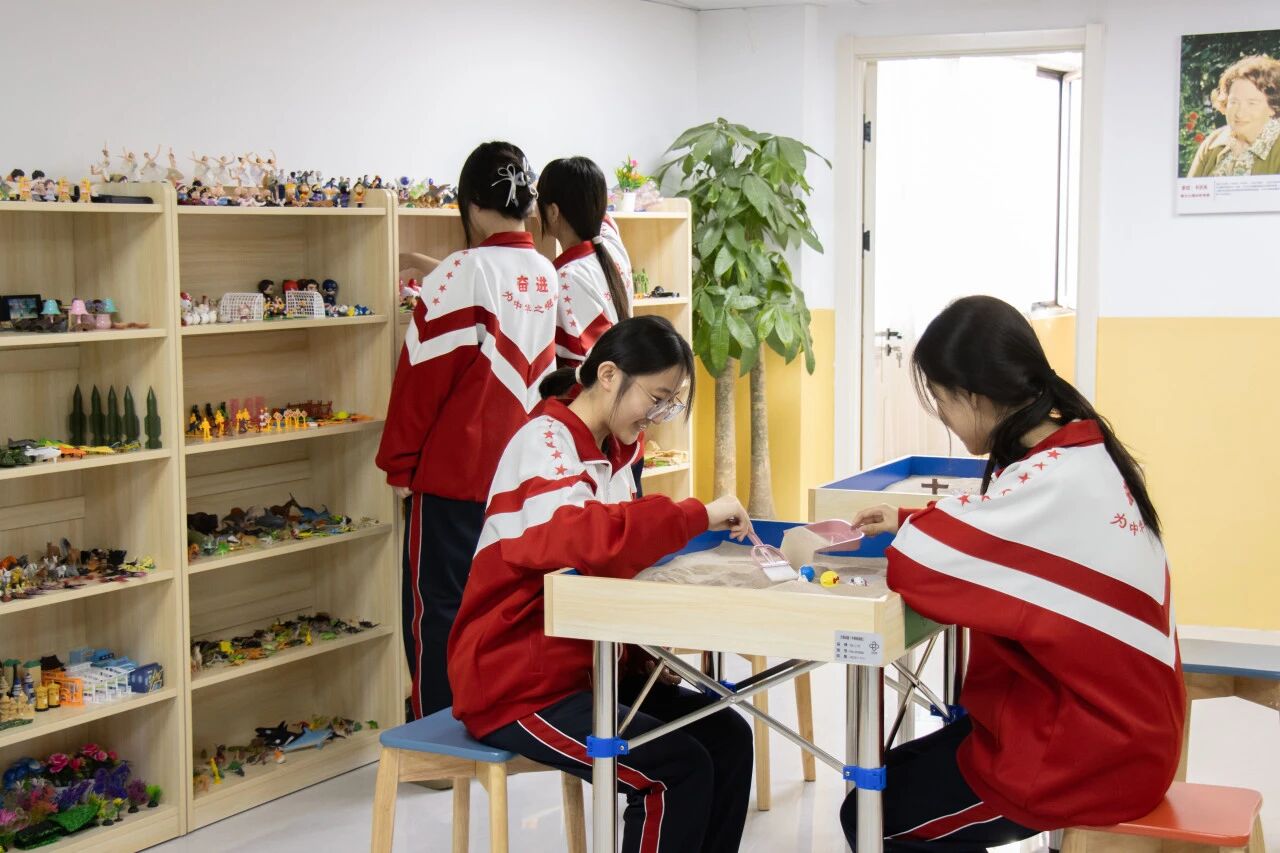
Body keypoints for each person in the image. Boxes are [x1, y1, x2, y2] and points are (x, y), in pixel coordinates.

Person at [843, 296, 1184, 851]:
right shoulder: (1074, 446)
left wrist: (914, 530)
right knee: (883, 784)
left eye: (942, 402)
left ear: (974, 397)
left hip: (1088, 757)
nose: (944, 420)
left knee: (875, 818)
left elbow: (921, 567)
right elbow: (1005, 532)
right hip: (1112, 728)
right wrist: (907, 518)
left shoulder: (1051, 479)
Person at [450, 315, 754, 853]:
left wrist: (641, 659)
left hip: (587, 672)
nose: (657, 417)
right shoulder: (543, 442)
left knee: (727, 736)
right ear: (609, 375)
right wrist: (697, 514)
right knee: (674, 770)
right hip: (517, 684)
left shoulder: (612, 452)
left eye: (669, 404)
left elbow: (610, 576)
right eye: (656, 399)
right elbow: (590, 540)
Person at [376, 141, 558, 721]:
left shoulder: (464, 269)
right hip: (521, 474)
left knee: (438, 613)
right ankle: (492, 722)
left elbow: (421, 377)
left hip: (457, 477)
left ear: (473, 204)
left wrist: (399, 465)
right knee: (501, 611)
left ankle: (436, 743)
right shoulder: (545, 271)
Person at [537, 156, 634, 365]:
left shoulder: (565, 277)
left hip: (597, 380)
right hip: (622, 371)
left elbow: (582, 363)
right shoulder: (611, 244)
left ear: (553, 211)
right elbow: (604, 217)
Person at [1188, 54, 1280, 177]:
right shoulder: (1212, 143)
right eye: (1234, 102)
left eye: (1252, 103)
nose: (1239, 113)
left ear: (1273, 107)